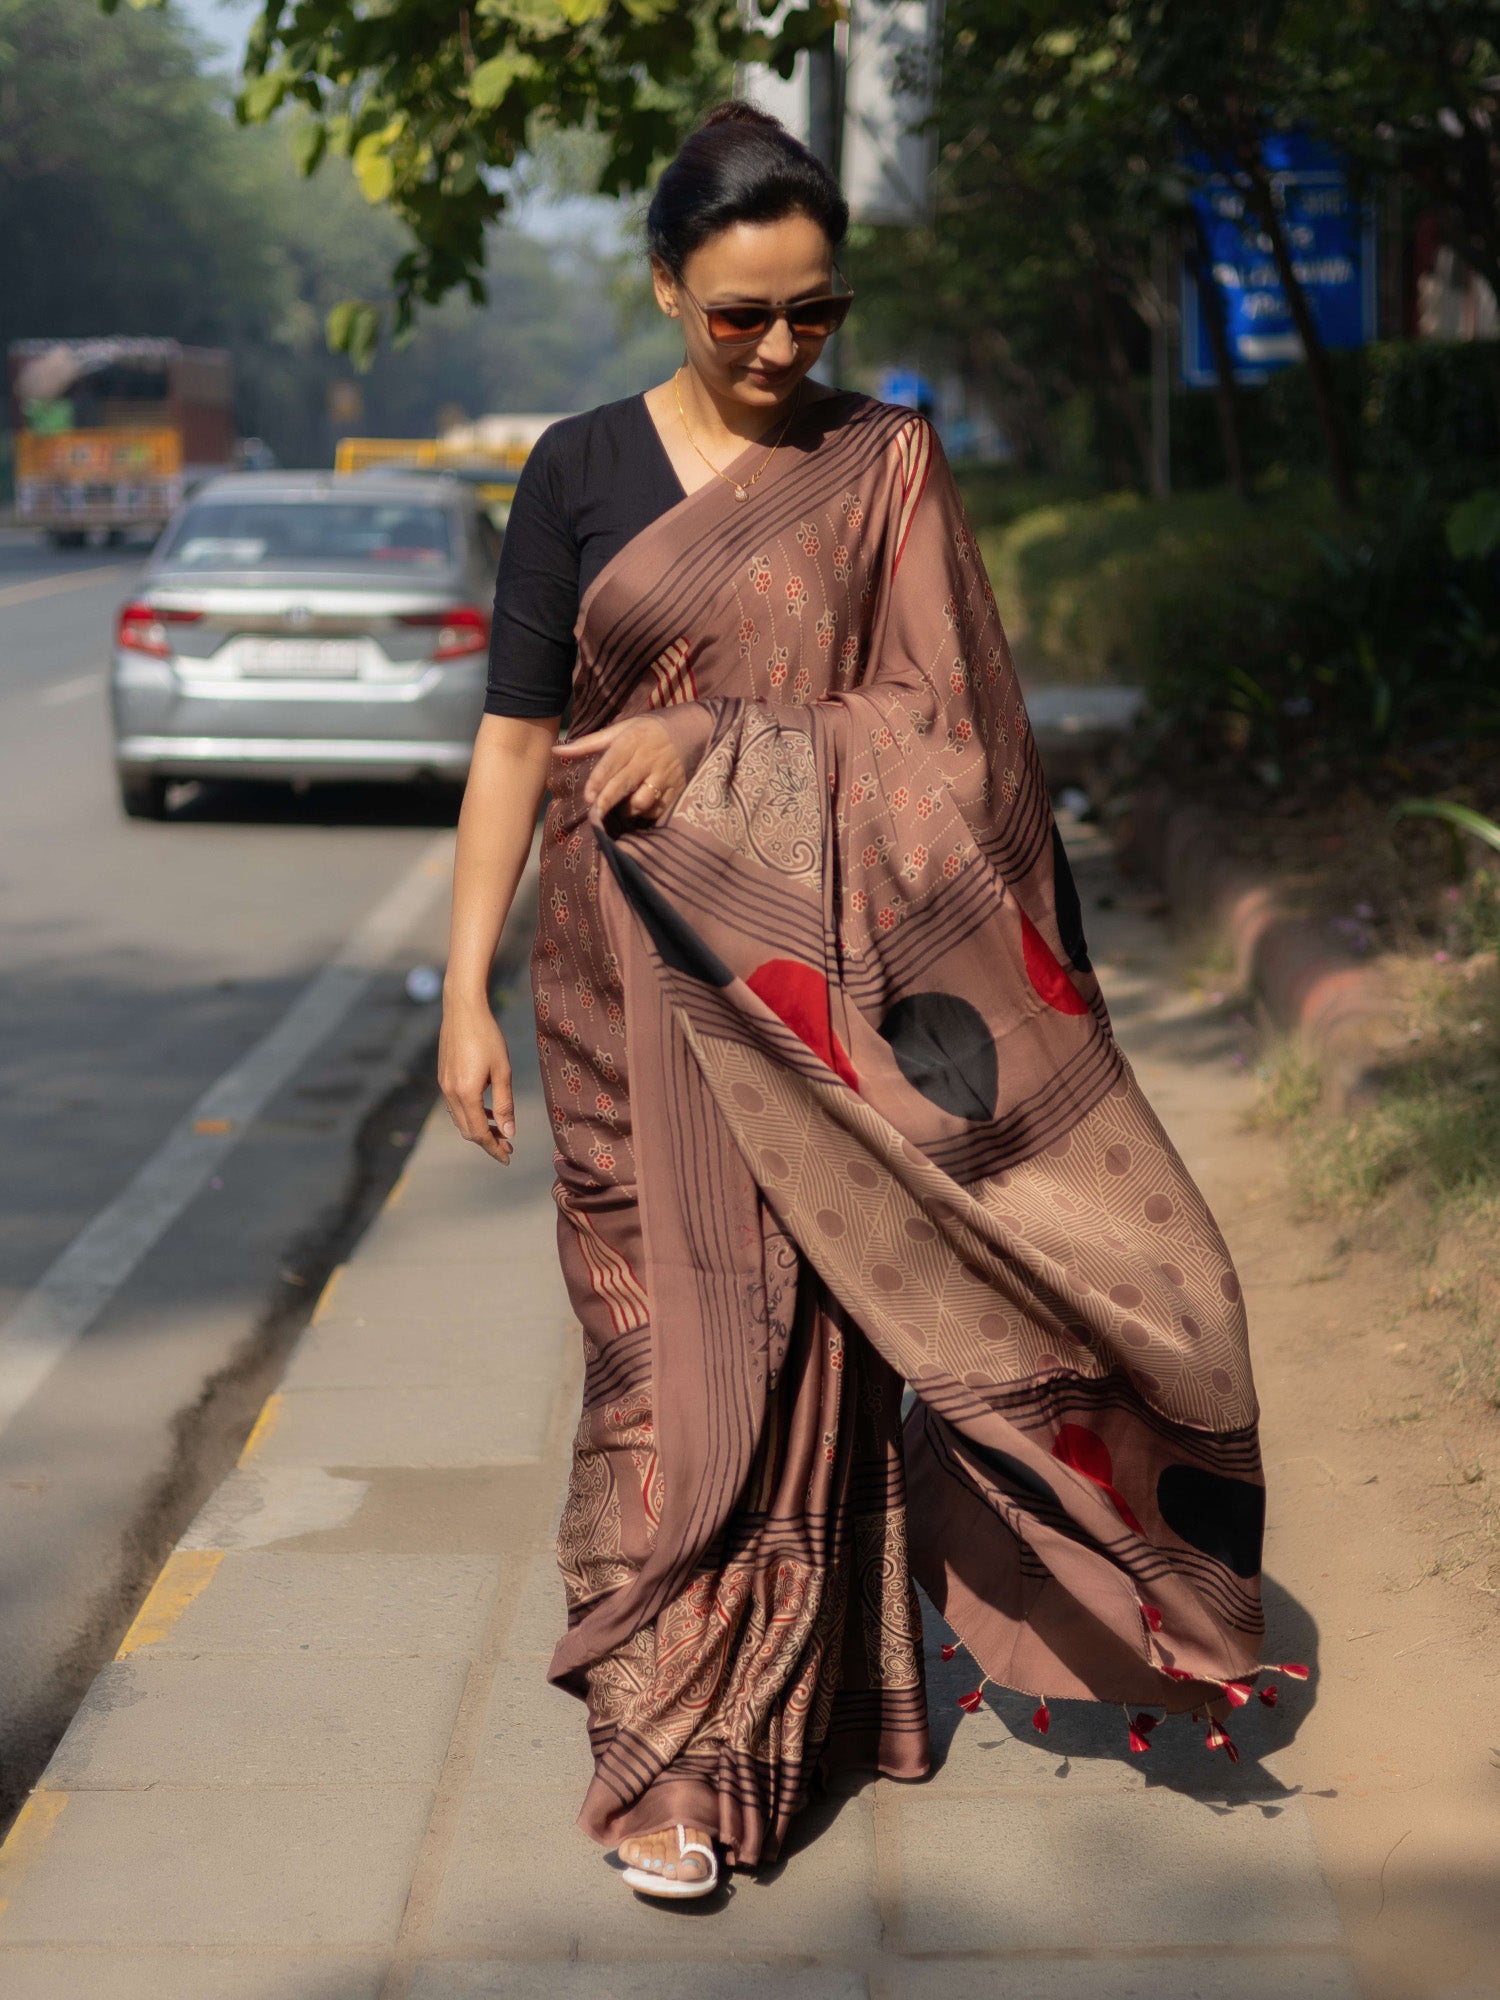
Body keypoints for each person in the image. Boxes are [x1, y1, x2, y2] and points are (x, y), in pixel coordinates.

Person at [440, 101, 1274, 1902]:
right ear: (667, 289)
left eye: (813, 312)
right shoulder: (577, 469)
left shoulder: (884, 463)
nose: (778, 348)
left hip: (815, 1000)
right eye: (740, 314)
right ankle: (663, 1752)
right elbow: (513, 738)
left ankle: (762, 1724)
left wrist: (712, 737)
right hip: (613, 982)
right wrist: (462, 994)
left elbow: (951, 739)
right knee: (657, 1363)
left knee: (808, 1345)